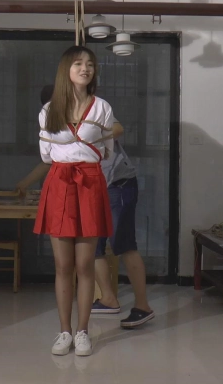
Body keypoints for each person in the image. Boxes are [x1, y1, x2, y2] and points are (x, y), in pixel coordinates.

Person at [31, 45, 115, 357]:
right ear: (66, 69)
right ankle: (64, 331)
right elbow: (46, 155)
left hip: (90, 182)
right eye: (78, 63)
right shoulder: (48, 110)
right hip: (60, 182)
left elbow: (107, 151)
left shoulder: (102, 107)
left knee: (85, 264)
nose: (85, 69)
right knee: (63, 264)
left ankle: (82, 332)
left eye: (90, 64)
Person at [90, 140, 154, 328]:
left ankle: (143, 306)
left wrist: (87, 134)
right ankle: (108, 299)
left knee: (124, 244)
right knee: (92, 244)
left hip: (118, 184)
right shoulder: (62, 129)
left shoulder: (95, 119)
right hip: (95, 186)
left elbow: (116, 129)